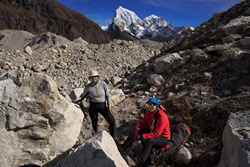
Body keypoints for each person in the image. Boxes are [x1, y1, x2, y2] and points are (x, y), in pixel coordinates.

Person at [123, 97, 171, 165]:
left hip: (163, 138)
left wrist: (142, 136)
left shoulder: (162, 117)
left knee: (150, 141)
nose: (151, 106)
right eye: (149, 104)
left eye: (153, 104)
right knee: (136, 130)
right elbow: (142, 123)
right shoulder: (149, 112)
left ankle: (139, 160)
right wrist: (136, 129)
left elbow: (157, 134)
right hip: (152, 131)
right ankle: (125, 146)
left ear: (157, 106)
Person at [73, 70, 117, 140]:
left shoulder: (103, 84)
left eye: (95, 77)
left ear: (98, 77)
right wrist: (75, 100)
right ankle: (94, 139)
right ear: (90, 78)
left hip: (103, 105)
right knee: (94, 123)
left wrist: (109, 106)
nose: (94, 78)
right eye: (92, 77)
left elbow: (108, 95)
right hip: (93, 106)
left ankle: (114, 138)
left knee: (112, 121)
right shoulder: (88, 87)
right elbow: (83, 96)